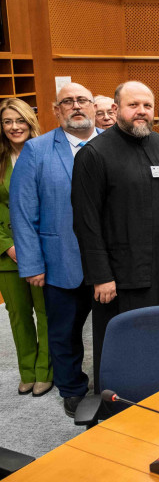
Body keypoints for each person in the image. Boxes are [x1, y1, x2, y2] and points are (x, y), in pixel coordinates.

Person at [71, 81, 159, 375]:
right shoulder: (94, 155)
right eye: (133, 105)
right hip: (121, 275)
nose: (141, 112)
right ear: (116, 109)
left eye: (147, 106)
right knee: (129, 350)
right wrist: (100, 276)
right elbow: (86, 223)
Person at [10, 83, 100, 417]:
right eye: (68, 101)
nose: (76, 106)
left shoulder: (112, 143)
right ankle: (73, 389)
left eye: (82, 100)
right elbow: (22, 211)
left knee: (111, 330)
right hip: (61, 261)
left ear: (94, 106)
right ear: (56, 109)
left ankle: (110, 383)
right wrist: (32, 264)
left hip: (112, 264)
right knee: (64, 333)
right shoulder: (37, 150)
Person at [0, 99, 52, 398]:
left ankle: (46, 370)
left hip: (42, 248)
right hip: (7, 253)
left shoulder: (43, 153)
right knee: (18, 314)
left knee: (46, 312)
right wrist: (7, 246)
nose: (15, 127)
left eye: (19, 120)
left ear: (30, 121)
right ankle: (27, 371)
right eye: (8, 121)